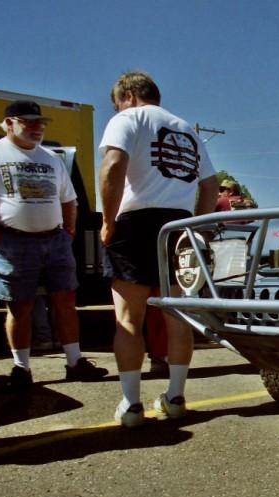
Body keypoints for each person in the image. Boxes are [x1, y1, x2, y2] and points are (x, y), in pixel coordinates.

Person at [99, 72, 218, 428]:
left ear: (129, 95)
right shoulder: (187, 128)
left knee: (128, 318)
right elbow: (209, 185)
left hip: (136, 223)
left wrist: (107, 220)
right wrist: (195, 225)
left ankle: (132, 405)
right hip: (178, 226)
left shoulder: (127, 118)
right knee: (177, 316)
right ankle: (176, 397)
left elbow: (113, 165)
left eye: (117, 101)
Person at [0, 100, 109, 389]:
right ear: (7, 123)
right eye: (27, 121)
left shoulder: (51, 158)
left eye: (39, 122)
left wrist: (67, 231)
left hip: (55, 241)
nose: (36, 127)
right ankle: (21, 369)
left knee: (65, 300)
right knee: (20, 306)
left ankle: (75, 362)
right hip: (13, 241)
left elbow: (69, 199)